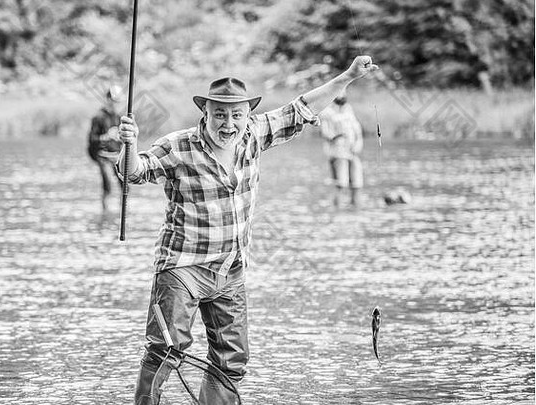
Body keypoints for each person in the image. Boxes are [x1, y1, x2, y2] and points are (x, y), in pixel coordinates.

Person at [117, 56, 378, 405]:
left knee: (232, 361)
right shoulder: (178, 146)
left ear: (246, 115)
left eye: (236, 115)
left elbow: (301, 109)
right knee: (167, 348)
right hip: (182, 268)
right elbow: (133, 172)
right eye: (220, 114)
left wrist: (348, 76)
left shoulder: (253, 134)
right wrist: (130, 145)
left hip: (230, 270)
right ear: (205, 112)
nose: (229, 124)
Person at [318, 90, 364, 207]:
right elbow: (325, 133)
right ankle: (337, 210)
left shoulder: (348, 109)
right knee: (341, 184)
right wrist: (338, 136)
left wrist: (358, 143)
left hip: (352, 152)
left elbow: (357, 129)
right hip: (337, 153)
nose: (342, 96)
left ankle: (355, 210)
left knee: (357, 183)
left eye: (343, 93)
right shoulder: (326, 112)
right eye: (339, 93)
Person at [87, 85, 124, 212]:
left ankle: (122, 211)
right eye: (114, 101)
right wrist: (107, 137)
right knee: (107, 184)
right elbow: (92, 139)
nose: (116, 104)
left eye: (117, 101)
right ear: (108, 99)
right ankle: (105, 211)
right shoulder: (98, 117)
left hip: (116, 156)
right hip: (102, 156)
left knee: (124, 185)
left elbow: (120, 139)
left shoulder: (118, 117)